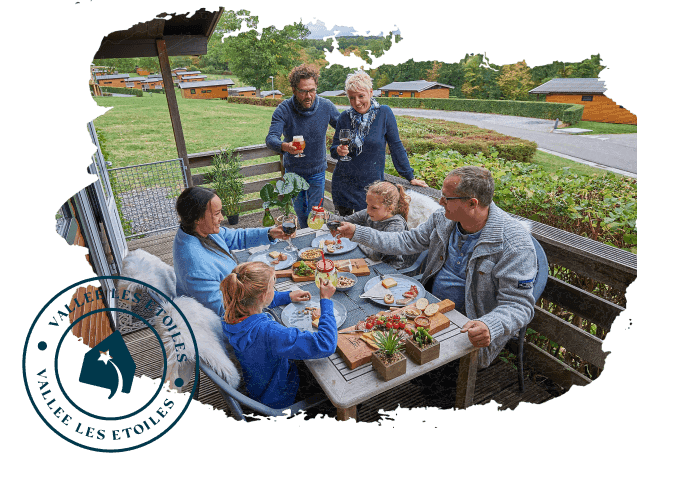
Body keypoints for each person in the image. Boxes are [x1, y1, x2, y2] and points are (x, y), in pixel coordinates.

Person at [337, 166, 537, 369]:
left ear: (472, 203)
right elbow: (406, 241)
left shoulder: (515, 244)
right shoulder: (443, 218)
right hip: (427, 308)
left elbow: (519, 305)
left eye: (446, 198)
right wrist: (357, 231)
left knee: (398, 363)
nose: (440, 202)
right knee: (371, 338)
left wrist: (490, 325)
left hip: (467, 326)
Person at [220, 261, 337, 409]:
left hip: (259, 387)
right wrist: (326, 301)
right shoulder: (269, 333)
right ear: (263, 296)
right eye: (272, 285)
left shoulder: (230, 313)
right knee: (338, 383)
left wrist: (286, 296)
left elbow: (253, 300)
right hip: (282, 398)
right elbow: (325, 344)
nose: (273, 288)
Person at [173, 186, 292, 318]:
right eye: (217, 213)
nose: (222, 218)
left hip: (241, 298)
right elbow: (226, 311)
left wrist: (269, 233)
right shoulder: (195, 268)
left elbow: (237, 237)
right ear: (198, 218)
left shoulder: (197, 229)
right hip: (226, 326)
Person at [329, 70, 428, 216]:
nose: (356, 102)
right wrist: (338, 150)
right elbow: (333, 149)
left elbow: (396, 146)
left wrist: (410, 176)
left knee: (367, 234)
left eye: (361, 96)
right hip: (343, 186)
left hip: (371, 190)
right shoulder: (344, 117)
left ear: (370, 92)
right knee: (344, 233)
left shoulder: (384, 113)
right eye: (351, 98)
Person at [265, 64, 340, 228]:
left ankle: (315, 248)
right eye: (303, 91)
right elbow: (271, 138)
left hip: (317, 172)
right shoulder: (283, 109)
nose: (308, 96)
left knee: (316, 216)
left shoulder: (326, 106)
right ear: (293, 90)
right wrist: (285, 146)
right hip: (293, 173)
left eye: (312, 90)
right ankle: (307, 249)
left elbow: (343, 128)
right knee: (301, 214)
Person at [329, 180, 411, 269]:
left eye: (374, 207)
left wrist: (355, 236)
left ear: (390, 208)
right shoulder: (369, 213)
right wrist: (326, 216)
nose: (368, 210)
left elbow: (375, 255)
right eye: (367, 204)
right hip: (368, 260)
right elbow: (345, 220)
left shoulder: (396, 226)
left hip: (388, 269)